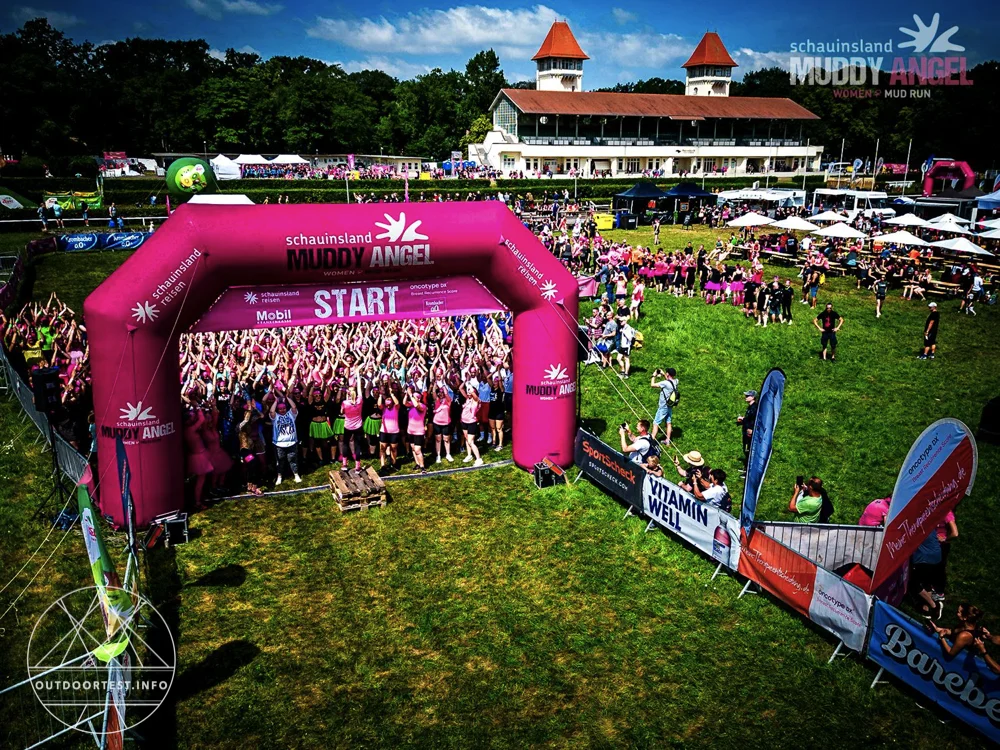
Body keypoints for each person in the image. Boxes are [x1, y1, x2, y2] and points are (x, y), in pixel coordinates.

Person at [270, 393, 302, 485]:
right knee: (280, 461)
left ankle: (296, 475)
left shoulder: (291, 414)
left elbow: (294, 407)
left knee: (293, 459)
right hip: (279, 444)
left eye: (283, 408)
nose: (282, 410)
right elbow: (272, 411)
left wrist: (287, 398)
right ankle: (279, 477)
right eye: (280, 409)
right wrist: (276, 401)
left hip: (292, 442)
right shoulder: (275, 417)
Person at [650, 367, 677, 444]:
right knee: (668, 422)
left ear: (668, 374)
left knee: (656, 423)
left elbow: (652, 385)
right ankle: (667, 440)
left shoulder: (665, 383)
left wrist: (653, 376)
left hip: (663, 406)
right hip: (670, 405)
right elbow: (669, 380)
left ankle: (651, 441)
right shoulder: (676, 381)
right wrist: (663, 374)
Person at [736, 390, 757, 470]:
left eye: (748, 396)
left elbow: (754, 420)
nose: (746, 397)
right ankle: (746, 468)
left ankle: (749, 469)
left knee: (749, 451)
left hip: (749, 433)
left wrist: (751, 428)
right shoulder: (750, 407)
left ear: (753, 397)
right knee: (746, 450)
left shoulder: (754, 408)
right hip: (746, 432)